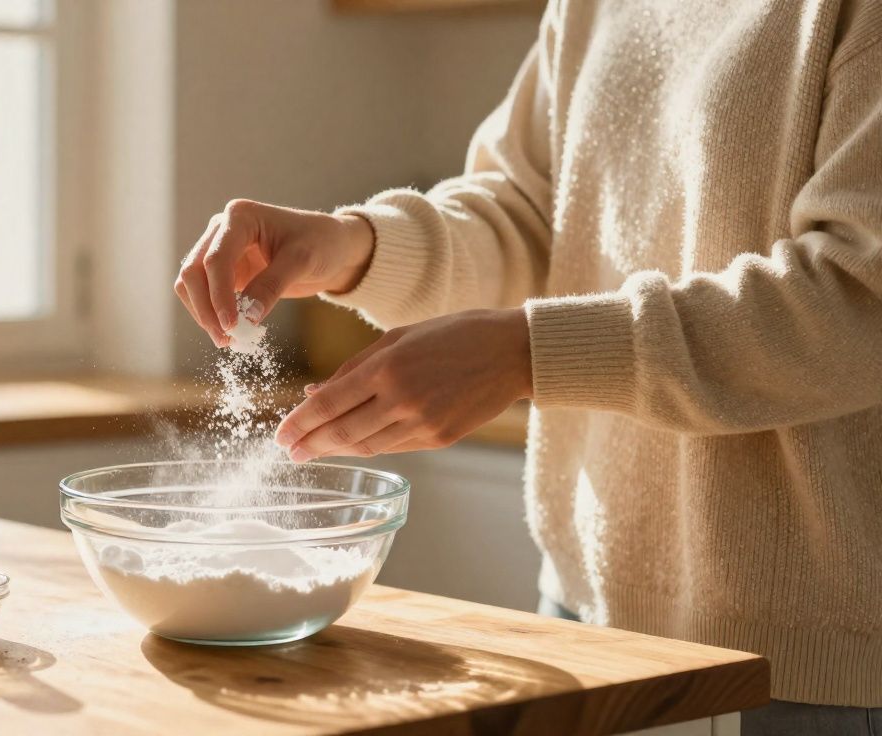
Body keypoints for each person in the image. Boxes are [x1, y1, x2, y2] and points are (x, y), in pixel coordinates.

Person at [173, 1, 882, 733]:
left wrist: (525, 354)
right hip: (581, 614)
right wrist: (352, 246)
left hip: (803, 667)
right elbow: (530, 210)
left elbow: (859, 300)